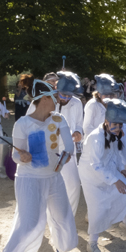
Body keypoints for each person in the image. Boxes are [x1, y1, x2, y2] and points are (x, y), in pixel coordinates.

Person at [0, 81, 79, 252]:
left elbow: (68, 147)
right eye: (54, 97)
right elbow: (15, 155)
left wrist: (66, 156)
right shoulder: (22, 123)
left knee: (63, 216)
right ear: (45, 99)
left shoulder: (59, 119)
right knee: (30, 223)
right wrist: (22, 156)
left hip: (53, 176)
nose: (58, 100)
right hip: (29, 179)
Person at [80, 99, 126, 252]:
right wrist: (115, 181)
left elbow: (116, 154)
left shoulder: (114, 133)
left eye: (121, 125)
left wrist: (122, 169)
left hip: (108, 170)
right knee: (97, 209)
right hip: (91, 176)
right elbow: (95, 165)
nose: (118, 128)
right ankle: (92, 242)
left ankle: (125, 223)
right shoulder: (96, 137)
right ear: (106, 121)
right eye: (116, 124)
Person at [46, 71, 85, 216]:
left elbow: (79, 124)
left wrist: (78, 132)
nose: (66, 98)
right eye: (63, 95)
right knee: (48, 186)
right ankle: (48, 218)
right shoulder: (47, 101)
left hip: (68, 150)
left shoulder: (77, 103)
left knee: (73, 185)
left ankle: (69, 217)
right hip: (49, 149)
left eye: (69, 95)